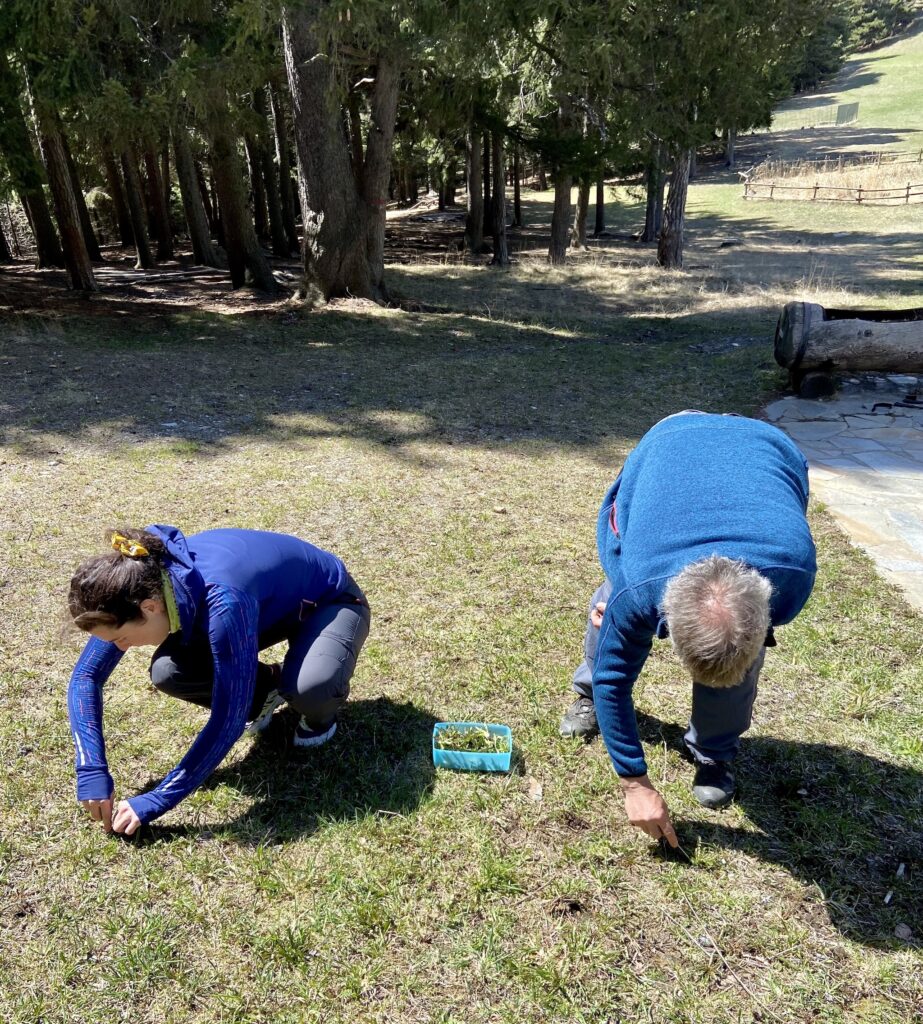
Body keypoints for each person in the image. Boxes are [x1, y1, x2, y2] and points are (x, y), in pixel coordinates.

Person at [559, 413, 816, 847]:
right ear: (665, 620)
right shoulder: (640, 581)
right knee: (611, 609)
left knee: (737, 655)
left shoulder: (792, 574)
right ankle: (586, 696)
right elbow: (614, 676)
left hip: (768, 449)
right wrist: (634, 784)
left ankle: (713, 753)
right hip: (669, 440)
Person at [67, 525, 370, 835]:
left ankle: (318, 717)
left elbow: (228, 719)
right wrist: (91, 768)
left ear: (150, 608)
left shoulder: (224, 602)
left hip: (329, 602)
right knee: (169, 672)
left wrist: (158, 799)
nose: (119, 647)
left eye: (122, 638)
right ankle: (267, 687)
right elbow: (86, 677)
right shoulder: (138, 582)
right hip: (265, 606)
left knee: (310, 688)